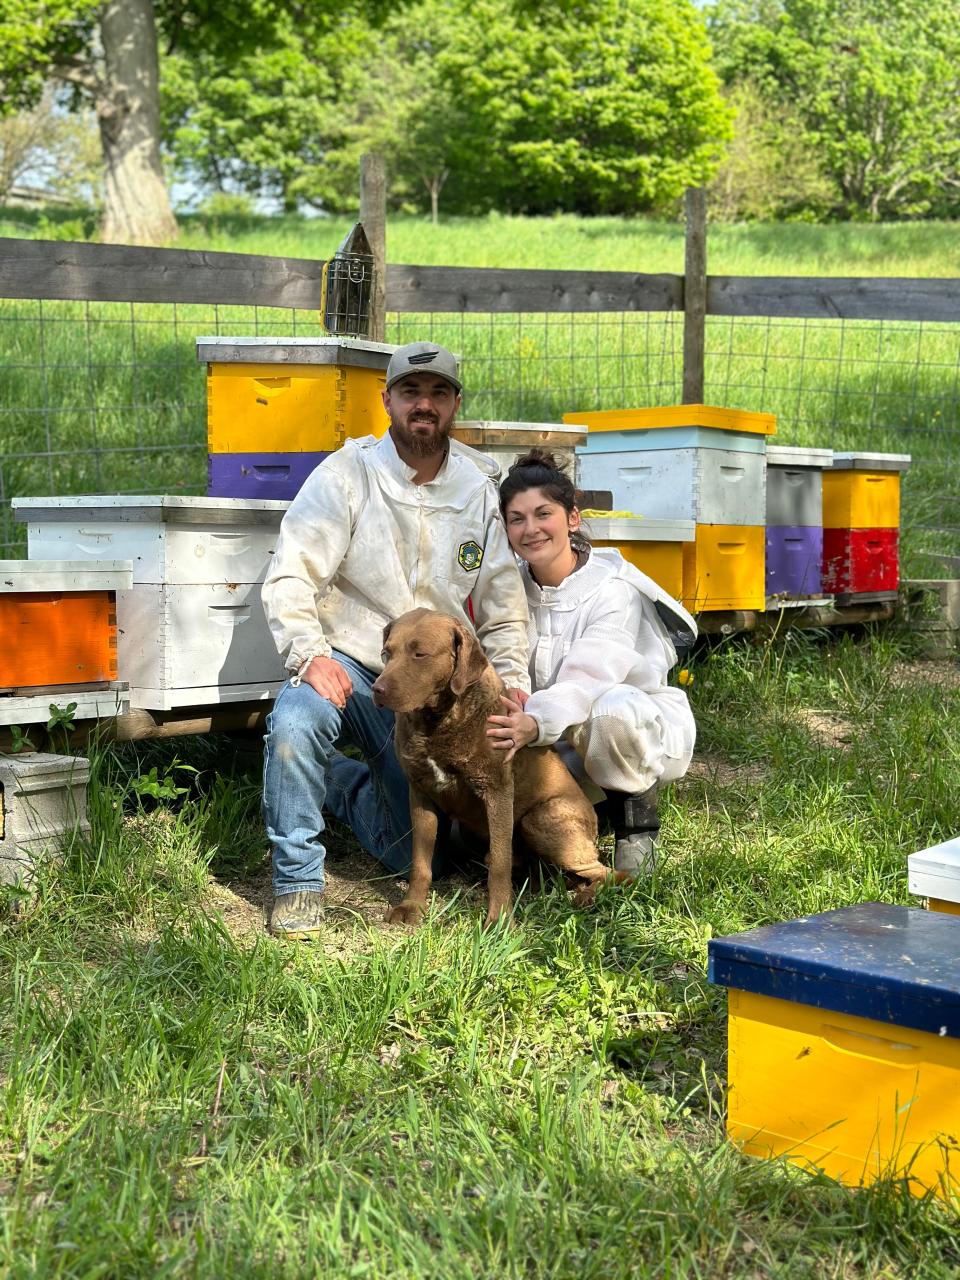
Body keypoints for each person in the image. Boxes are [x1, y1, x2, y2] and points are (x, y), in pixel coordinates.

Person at [261, 341, 531, 939]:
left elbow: (504, 606)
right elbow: (289, 573)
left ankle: (337, 781)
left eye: (438, 393)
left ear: (456, 404)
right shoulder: (347, 473)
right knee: (296, 719)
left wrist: (512, 682)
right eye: (411, 392)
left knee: (403, 847)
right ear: (386, 400)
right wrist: (309, 654)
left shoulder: (480, 486)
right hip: (357, 669)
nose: (424, 405)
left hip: (435, 693)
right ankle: (298, 884)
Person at [486, 449, 697, 877]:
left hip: (629, 730)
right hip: (545, 741)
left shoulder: (613, 590)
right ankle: (578, 815)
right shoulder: (505, 588)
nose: (531, 529)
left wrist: (533, 723)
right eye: (516, 518)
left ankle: (635, 826)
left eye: (543, 514)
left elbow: (589, 678)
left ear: (572, 518)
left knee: (610, 710)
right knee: (470, 847)